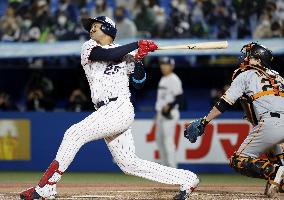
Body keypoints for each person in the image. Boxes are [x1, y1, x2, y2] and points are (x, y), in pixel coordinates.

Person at [19, 16, 199, 200]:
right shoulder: (89, 47)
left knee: (74, 134)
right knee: (128, 164)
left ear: (108, 28)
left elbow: (139, 82)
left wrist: (138, 60)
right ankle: (188, 178)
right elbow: (108, 55)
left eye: (95, 26)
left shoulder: (126, 54)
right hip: (104, 110)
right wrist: (137, 44)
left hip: (119, 107)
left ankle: (46, 187)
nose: (91, 29)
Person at [184, 42, 284, 198]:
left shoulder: (245, 74)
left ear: (258, 61)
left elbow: (224, 102)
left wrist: (204, 121)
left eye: (250, 55)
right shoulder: (278, 76)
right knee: (276, 158)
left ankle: (275, 172)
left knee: (239, 160)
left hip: (273, 122)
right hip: (277, 122)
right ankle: (280, 173)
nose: (246, 57)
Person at [155, 57, 183, 168]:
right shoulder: (164, 79)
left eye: (166, 64)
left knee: (168, 141)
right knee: (159, 140)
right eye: (162, 64)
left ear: (172, 66)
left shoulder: (174, 79)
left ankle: (172, 168)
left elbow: (180, 97)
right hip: (161, 114)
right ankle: (165, 168)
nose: (163, 66)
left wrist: (170, 106)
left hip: (170, 114)